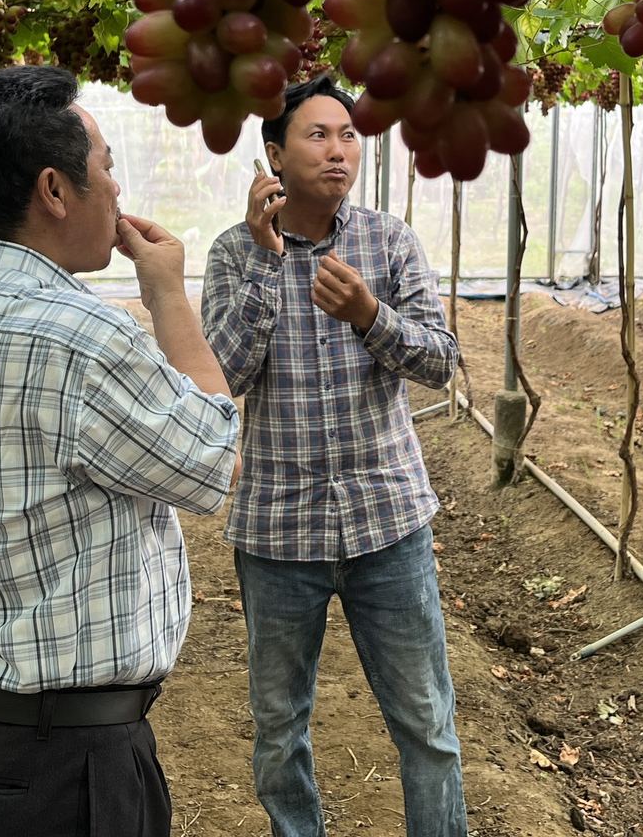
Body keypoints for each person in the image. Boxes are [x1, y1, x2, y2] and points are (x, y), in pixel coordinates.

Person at [0, 66, 239, 837]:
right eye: (104, 166)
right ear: (55, 191)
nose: (117, 188)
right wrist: (169, 293)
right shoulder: (86, 340)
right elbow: (211, 456)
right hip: (50, 767)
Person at [201, 75, 467, 837]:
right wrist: (263, 263)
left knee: (427, 725)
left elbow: (441, 361)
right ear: (274, 156)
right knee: (280, 733)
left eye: (348, 134)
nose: (338, 149)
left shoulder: (388, 241)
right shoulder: (231, 255)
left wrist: (370, 316)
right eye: (317, 135)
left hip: (389, 524)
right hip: (279, 535)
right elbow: (223, 379)